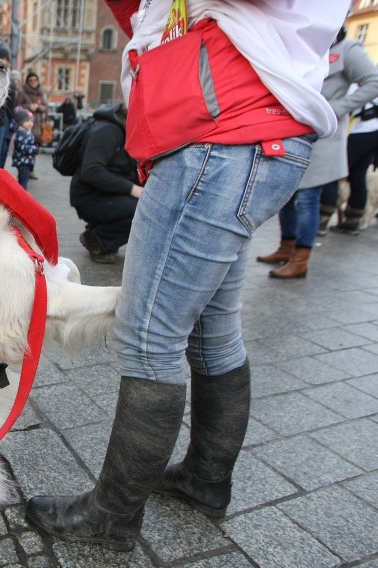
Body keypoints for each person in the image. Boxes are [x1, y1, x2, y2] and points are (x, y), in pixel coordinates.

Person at [25, 0, 348, 553]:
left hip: (219, 135)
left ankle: (113, 515)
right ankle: (204, 479)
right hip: (246, 131)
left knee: (149, 336)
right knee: (212, 333)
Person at [257, 28, 378, 278]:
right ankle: (286, 246)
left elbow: (373, 81)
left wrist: (332, 110)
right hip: (293, 130)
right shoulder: (307, 47)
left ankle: (301, 259)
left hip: (322, 137)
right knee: (287, 196)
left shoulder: (347, 49)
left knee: (308, 199)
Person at [72, 103, 142, 264]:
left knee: (146, 207)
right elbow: (91, 170)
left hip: (106, 195)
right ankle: (97, 240)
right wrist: (132, 188)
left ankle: (101, 232)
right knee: (142, 212)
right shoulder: (108, 131)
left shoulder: (124, 130)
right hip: (89, 198)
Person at [326, 93, 378, 235]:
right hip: (371, 130)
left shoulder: (365, 74)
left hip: (359, 129)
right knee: (357, 177)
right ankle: (352, 221)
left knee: (333, 174)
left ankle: (322, 218)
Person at [16, 71, 48, 179]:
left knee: (35, 146)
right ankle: (23, 169)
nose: (33, 82)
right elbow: (18, 106)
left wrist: (38, 107)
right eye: (31, 80)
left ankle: (31, 169)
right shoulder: (22, 92)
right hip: (26, 123)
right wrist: (29, 106)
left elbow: (45, 107)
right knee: (24, 146)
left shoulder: (41, 92)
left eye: (35, 80)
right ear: (28, 82)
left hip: (38, 124)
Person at [11, 108, 38, 189]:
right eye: (27, 121)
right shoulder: (22, 133)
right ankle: (23, 194)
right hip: (23, 162)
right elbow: (23, 148)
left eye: (31, 121)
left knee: (22, 179)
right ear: (21, 123)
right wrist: (35, 149)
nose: (30, 123)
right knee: (24, 180)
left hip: (25, 161)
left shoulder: (26, 132)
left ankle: (20, 193)